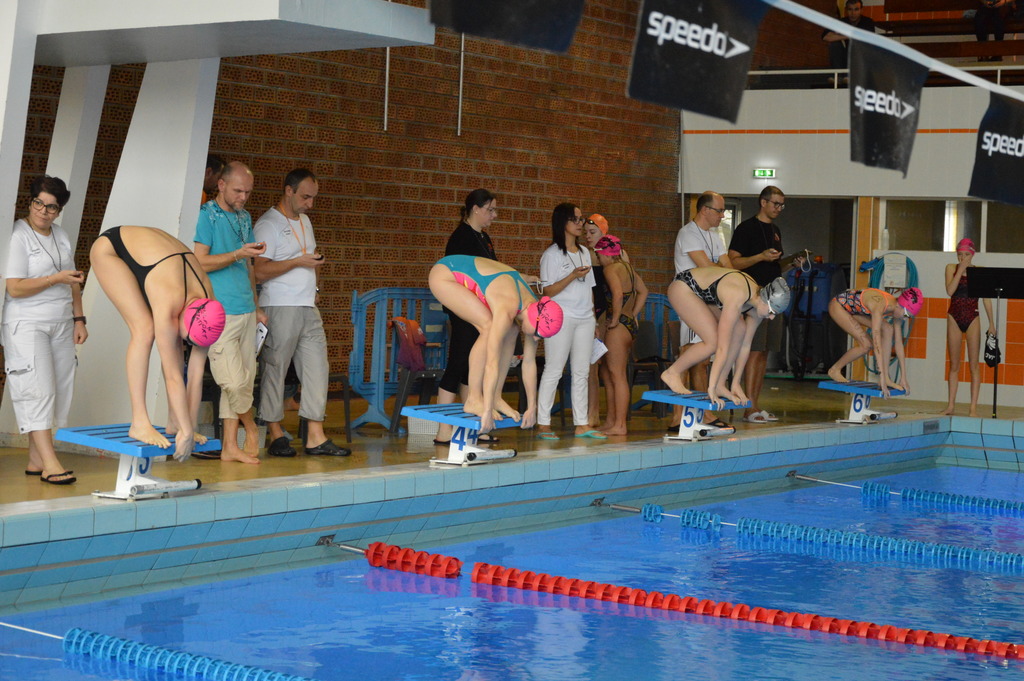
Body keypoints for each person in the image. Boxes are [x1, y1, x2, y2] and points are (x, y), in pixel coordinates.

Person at [90, 225, 226, 462]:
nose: (186, 343)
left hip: (162, 258)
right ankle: (139, 422)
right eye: (187, 338)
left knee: (173, 346)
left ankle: (175, 421)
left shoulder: (210, 306)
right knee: (144, 329)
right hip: (111, 249)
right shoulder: (169, 301)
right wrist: (186, 431)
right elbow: (173, 375)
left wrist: (188, 426)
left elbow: (195, 376)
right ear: (184, 316)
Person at [254, 168, 349, 457]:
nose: (310, 203)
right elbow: (258, 271)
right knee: (276, 368)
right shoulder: (267, 224)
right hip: (279, 304)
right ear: (289, 191)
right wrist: (297, 262)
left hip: (308, 305)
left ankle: (315, 437)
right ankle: (275, 433)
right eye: (306, 197)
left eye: (313, 197)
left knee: (317, 368)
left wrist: (315, 288)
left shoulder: (305, 221)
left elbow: (310, 259)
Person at [3, 176, 86, 484]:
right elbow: (15, 287)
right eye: (39, 203)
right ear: (30, 202)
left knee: (59, 390)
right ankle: (51, 463)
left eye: (52, 207)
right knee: (38, 390)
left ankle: (36, 459)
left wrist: (79, 319)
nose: (44, 211)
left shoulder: (61, 235)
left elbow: (73, 279)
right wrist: (54, 279)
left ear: (59, 210)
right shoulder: (18, 235)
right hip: (26, 323)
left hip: (61, 322)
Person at [428, 255, 563, 434]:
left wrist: (532, 407)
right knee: (488, 326)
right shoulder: (508, 306)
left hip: (472, 275)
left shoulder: (533, 306)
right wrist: (486, 410)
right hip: (445, 275)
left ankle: (497, 397)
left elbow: (529, 362)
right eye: (538, 334)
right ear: (535, 319)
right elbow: (491, 363)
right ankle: (473, 399)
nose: (537, 339)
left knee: (512, 330)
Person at [193, 161, 267, 464]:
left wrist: (257, 305)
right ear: (221, 185)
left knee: (242, 382)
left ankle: (229, 448)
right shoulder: (206, 215)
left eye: (248, 192)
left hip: (246, 308)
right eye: (238, 191)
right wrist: (238, 253)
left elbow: (249, 265)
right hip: (218, 311)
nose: (243, 197)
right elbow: (199, 262)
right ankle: (251, 427)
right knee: (233, 382)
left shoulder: (244, 216)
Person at [661, 267, 791, 411]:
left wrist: (735, 383)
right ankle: (672, 372)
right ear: (764, 300)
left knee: (740, 329)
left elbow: (745, 345)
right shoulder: (737, 295)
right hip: (684, 287)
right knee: (712, 342)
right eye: (772, 311)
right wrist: (711, 388)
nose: (771, 317)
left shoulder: (757, 306)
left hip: (704, 295)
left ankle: (721, 385)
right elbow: (722, 348)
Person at [728, 186, 804, 423]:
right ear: (763, 202)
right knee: (754, 349)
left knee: (764, 352)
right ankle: (748, 407)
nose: (779, 208)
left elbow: (773, 267)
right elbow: (733, 262)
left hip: (774, 297)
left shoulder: (775, 230)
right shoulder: (746, 228)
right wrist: (760, 256)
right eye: (775, 204)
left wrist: (791, 264)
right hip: (754, 297)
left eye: (782, 205)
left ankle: (756, 404)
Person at [434, 189, 501, 446]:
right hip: (463, 309)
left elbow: (493, 270)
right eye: (490, 210)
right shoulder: (461, 238)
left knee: (473, 367)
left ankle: (474, 426)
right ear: (476, 208)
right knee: (458, 362)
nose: (494, 215)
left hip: (479, 310)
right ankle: (443, 430)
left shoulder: (483, 237)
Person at [670, 191, 734, 431]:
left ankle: (703, 413)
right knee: (688, 355)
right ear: (705, 210)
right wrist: (722, 270)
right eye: (719, 210)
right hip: (689, 301)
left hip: (706, 302)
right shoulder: (688, 233)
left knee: (702, 361)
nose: (722, 215)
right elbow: (707, 268)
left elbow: (727, 267)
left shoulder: (715, 235)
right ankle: (678, 417)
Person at [536, 203, 599, 440]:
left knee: (582, 371)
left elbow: (590, 287)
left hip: (585, 318)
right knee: (554, 369)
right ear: (563, 222)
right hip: (561, 317)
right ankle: (543, 423)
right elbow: (547, 291)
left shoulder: (584, 252)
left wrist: (593, 318)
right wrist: (572, 275)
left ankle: (581, 423)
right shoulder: (551, 254)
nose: (580, 224)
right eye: (576, 219)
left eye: (581, 219)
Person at [594, 235, 647, 436]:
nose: (598, 260)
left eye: (599, 256)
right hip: (629, 324)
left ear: (605, 254)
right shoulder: (628, 268)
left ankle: (620, 425)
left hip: (618, 327)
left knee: (617, 375)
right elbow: (643, 292)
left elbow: (617, 294)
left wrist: (616, 318)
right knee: (608, 374)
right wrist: (632, 313)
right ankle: (611, 421)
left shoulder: (610, 269)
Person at [826, 286, 923, 397]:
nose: (905, 318)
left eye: (908, 317)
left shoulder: (897, 309)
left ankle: (887, 378)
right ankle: (835, 370)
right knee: (866, 345)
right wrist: (880, 378)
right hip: (838, 306)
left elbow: (899, 343)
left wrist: (903, 378)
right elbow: (877, 342)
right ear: (899, 305)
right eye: (906, 315)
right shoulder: (880, 305)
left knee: (888, 329)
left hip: (854, 311)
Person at [942, 238, 995, 416]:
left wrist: (992, 323)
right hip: (954, 317)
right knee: (954, 365)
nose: (962, 258)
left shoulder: (979, 272)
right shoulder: (951, 268)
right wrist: (961, 270)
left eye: (966, 254)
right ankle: (951, 406)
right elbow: (950, 291)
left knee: (974, 365)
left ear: (972, 255)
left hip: (973, 318)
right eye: (960, 255)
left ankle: (973, 408)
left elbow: (986, 299)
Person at [821, 0, 877, 69]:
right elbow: (826, 36)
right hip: (846, 56)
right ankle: (839, 74)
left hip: (862, 57)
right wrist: (848, 36)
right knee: (835, 45)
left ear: (861, 10)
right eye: (850, 9)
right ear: (846, 10)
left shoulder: (867, 22)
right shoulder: (842, 22)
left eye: (856, 9)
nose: (853, 13)